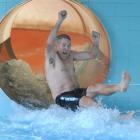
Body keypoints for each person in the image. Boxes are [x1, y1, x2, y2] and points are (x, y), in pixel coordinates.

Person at [45, 10, 131, 111]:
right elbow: (49, 43)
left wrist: (96, 42)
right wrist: (60, 20)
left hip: (77, 92)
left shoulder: (71, 55)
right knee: (87, 101)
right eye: (63, 45)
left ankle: (120, 87)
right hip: (62, 97)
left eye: (68, 45)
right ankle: (112, 118)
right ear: (56, 45)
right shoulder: (52, 58)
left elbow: (92, 55)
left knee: (95, 87)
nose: (66, 48)